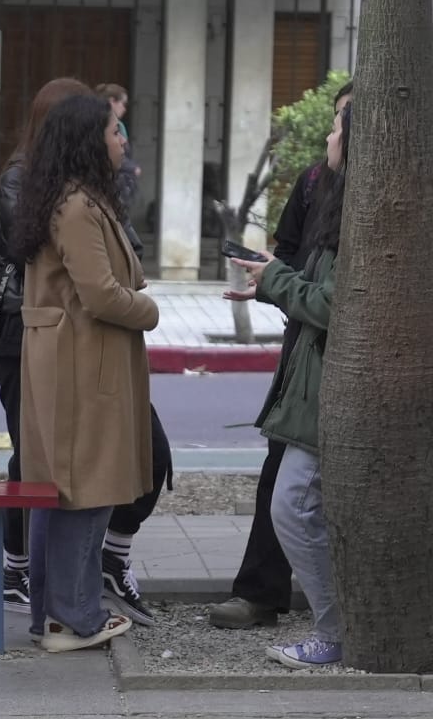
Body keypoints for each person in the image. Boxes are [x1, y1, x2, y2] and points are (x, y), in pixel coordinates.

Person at [0, 78, 172, 627]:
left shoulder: (77, 196)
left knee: (80, 490)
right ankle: (73, 617)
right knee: (84, 492)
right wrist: (150, 310)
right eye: (115, 130)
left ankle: (61, 611)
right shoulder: (75, 205)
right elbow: (101, 294)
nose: (123, 139)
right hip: (82, 365)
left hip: (82, 360)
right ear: (89, 141)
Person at [209, 81, 353, 631]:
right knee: (285, 479)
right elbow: (294, 261)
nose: (329, 132)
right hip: (305, 350)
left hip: (340, 357)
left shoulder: (369, 200)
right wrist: (270, 281)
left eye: (340, 124)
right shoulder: (316, 183)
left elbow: (328, 295)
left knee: (298, 492)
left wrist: (280, 281)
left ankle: (335, 618)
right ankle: (263, 593)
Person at [95, 83, 141, 214]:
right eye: (123, 103)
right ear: (111, 101)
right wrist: (132, 168)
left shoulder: (118, 125)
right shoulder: (104, 124)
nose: (124, 109)